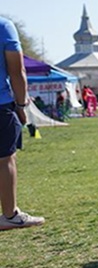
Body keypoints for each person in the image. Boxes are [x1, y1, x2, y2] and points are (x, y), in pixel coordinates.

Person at [0, 16, 45, 231]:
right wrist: (20, 105)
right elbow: (17, 71)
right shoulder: (4, 26)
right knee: (5, 160)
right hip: (1, 105)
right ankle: (10, 215)